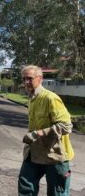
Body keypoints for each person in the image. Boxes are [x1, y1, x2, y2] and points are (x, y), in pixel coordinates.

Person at [18, 65, 75, 196]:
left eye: (30, 78)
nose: (26, 82)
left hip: (55, 156)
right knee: (25, 188)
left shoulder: (50, 98)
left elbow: (66, 126)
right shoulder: (32, 98)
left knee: (57, 193)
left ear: (40, 78)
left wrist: (38, 133)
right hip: (34, 153)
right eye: (24, 79)